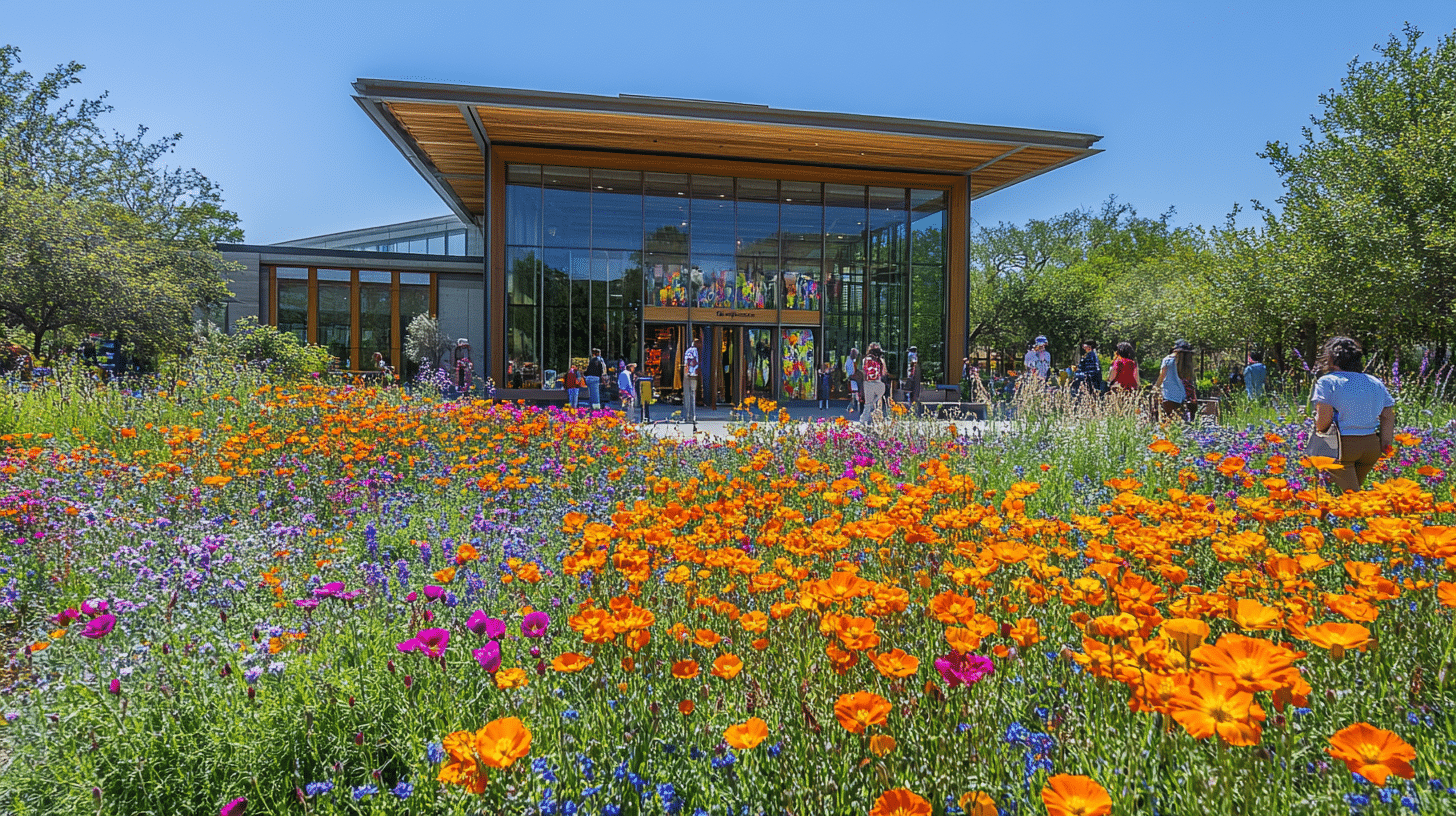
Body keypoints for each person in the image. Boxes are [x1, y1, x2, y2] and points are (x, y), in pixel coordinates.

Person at [1311, 337, 1394, 492]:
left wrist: (1321, 439)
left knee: (1351, 498)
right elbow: (1388, 415)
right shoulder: (1374, 381)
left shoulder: (1328, 382)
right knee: (1346, 494)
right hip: (1371, 447)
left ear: (1332, 359)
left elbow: (1324, 419)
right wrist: (1385, 443)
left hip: (1342, 445)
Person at [1154, 339, 1196, 421]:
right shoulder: (1187, 364)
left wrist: (1155, 388)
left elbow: (1162, 376)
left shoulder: (1167, 360)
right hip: (1183, 398)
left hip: (1168, 396)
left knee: (1168, 422)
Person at [860, 346, 886, 424]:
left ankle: (863, 421)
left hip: (868, 383)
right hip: (878, 383)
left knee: (868, 405)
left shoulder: (865, 360)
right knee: (877, 404)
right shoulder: (880, 361)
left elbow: (864, 373)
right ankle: (876, 421)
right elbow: (883, 373)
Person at [683, 336, 700, 423]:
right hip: (692, 375)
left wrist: (687, 372)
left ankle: (688, 415)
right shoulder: (694, 351)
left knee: (688, 394)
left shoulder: (688, 351)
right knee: (692, 395)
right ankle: (692, 415)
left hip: (688, 374)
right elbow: (694, 363)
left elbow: (687, 362)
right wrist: (692, 371)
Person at [844, 347, 862, 415]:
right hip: (852, 380)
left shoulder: (852, 361)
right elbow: (850, 372)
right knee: (855, 394)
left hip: (854, 380)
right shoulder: (849, 361)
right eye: (855, 355)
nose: (856, 356)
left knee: (855, 395)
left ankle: (852, 407)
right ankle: (851, 408)